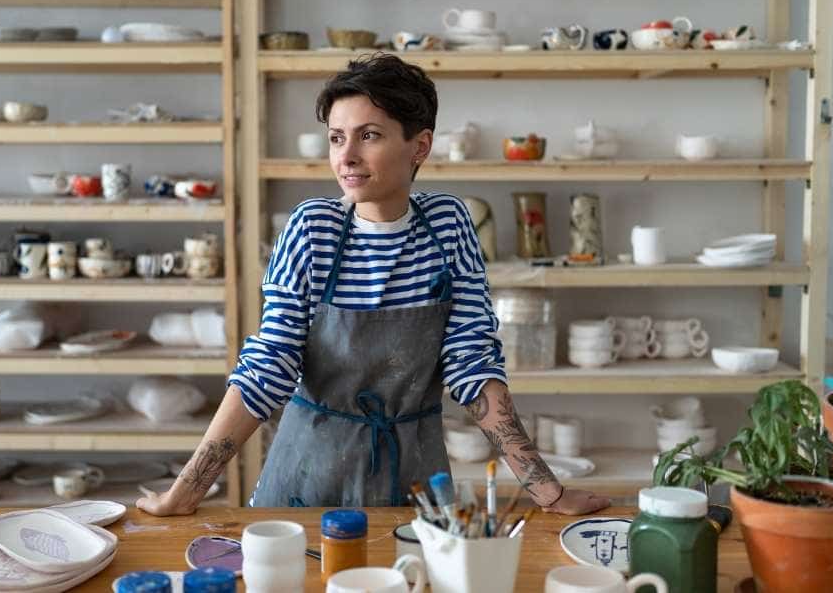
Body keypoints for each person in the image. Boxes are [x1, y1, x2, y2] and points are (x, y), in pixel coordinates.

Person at [137, 53, 610, 516]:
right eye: (336, 138)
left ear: (419, 146)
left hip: (415, 477)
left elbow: (472, 365)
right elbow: (268, 369)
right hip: (308, 479)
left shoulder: (447, 225)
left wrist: (545, 489)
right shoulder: (311, 230)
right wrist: (185, 492)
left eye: (369, 136)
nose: (346, 156)